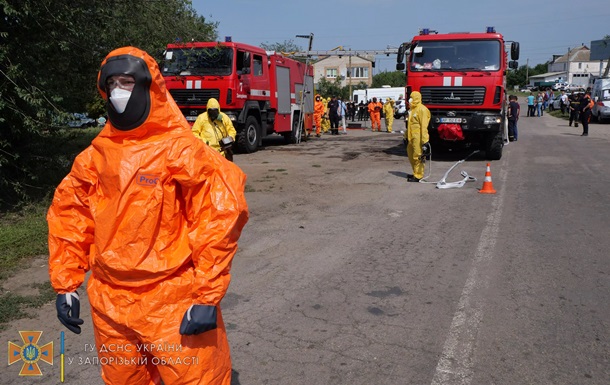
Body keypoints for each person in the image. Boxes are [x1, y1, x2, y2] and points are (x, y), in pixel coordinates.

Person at [47, 47, 249, 385]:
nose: (118, 91)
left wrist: (206, 296)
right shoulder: (94, 157)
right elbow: (70, 216)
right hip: (109, 300)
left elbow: (221, 214)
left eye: (127, 82)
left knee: (194, 379)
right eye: (111, 84)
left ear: (148, 86)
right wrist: (65, 285)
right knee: (123, 379)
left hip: (172, 297)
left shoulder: (181, 150)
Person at [404, 91, 430, 182]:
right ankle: (415, 172)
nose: (410, 99)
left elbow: (424, 126)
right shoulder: (412, 110)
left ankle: (419, 175)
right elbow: (410, 125)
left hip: (418, 137)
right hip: (411, 137)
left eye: (412, 97)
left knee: (418, 156)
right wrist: (405, 136)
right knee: (411, 155)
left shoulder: (422, 109)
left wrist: (425, 141)